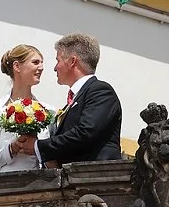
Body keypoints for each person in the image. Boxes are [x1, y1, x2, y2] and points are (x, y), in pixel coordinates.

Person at [17, 33, 122, 167]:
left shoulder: (100, 91)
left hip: (94, 179)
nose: (55, 67)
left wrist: (38, 147)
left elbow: (85, 132)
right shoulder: (75, 99)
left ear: (72, 61)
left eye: (58, 60)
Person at [0, 44, 51, 173]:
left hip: (42, 183)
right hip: (10, 184)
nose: (41, 67)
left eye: (41, 63)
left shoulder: (47, 110)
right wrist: (12, 149)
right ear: (17, 66)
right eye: (35, 62)